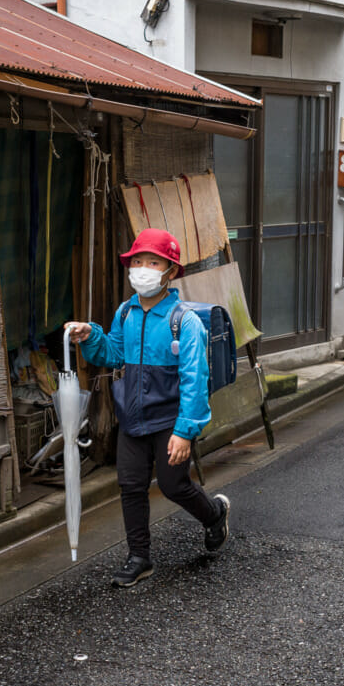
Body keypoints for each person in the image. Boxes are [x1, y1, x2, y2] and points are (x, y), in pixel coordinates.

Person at [65, 227, 230, 587]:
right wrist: (90, 335)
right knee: (131, 486)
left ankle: (215, 514)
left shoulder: (184, 321)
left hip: (170, 421)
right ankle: (139, 557)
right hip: (133, 417)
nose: (141, 268)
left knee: (173, 486)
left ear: (170, 271)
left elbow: (194, 378)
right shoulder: (126, 313)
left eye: (151, 262)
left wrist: (185, 431)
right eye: (137, 261)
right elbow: (114, 354)